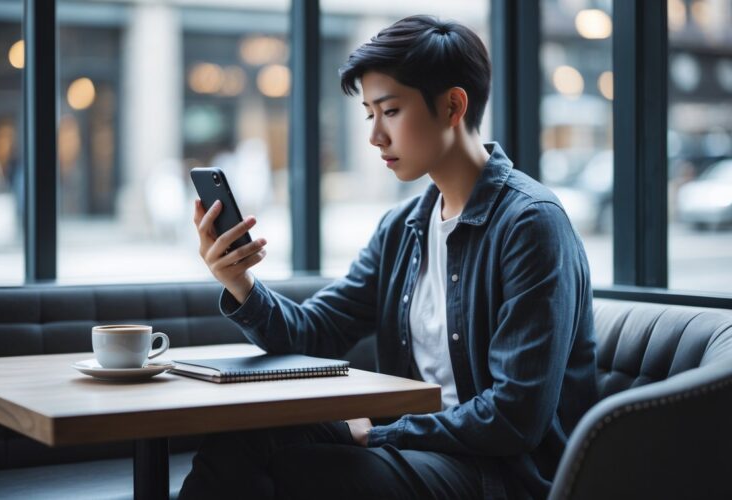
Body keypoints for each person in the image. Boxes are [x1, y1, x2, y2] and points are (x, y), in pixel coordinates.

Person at [180, 15, 597, 500]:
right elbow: (315, 332)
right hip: (422, 451)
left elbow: (514, 417)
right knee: (244, 436)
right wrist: (240, 284)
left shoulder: (530, 224)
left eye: (391, 111)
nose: (375, 135)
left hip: (502, 474)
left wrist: (382, 433)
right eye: (368, 114)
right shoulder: (405, 227)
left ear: (452, 106)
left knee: (306, 471)